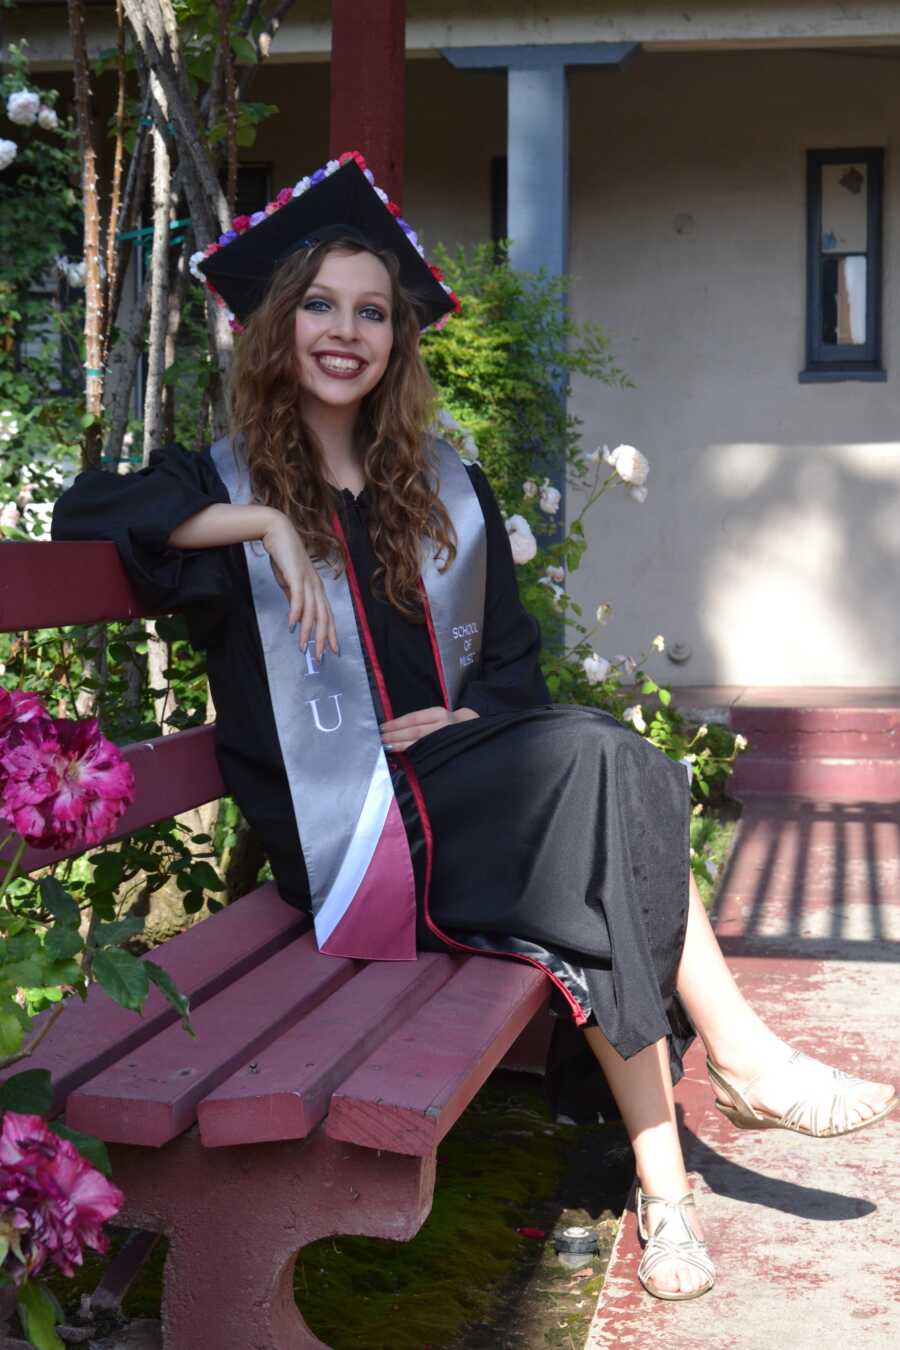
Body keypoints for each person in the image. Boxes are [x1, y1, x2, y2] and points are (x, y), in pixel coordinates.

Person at [52, 153, 895, 1303]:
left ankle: (671, 1185)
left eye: (374, 312)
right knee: (614, 770)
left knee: (614, 784)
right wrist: (262, 524)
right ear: (276, 325)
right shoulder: (219, 483)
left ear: (399, 342)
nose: (346, 331)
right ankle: (724, 1085)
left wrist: (468, 716)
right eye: (320, 306)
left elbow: (512, 670)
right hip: (345, 839)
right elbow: (84, 510)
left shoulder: (444, 485)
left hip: (453, 793)